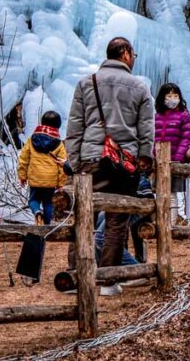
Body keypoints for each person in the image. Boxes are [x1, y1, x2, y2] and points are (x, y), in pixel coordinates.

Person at [66, 37, 154, 296]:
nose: (134, 59)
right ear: (125, 53)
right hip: (124, 163)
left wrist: (75, 161)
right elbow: (146, 129)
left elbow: (75, 126)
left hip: (90, 159)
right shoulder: (139, 87)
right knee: (117, 220)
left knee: (83, 216)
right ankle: (107, 280)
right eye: (133, 54)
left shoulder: (86, 83)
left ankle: (75, 277)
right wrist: (143, 160)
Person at [154, 83, 190, 223]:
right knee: (159, 193)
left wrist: (178, 157)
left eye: (175, 95)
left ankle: (170, 225)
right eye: (169, 95)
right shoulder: (157, 116)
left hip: (174, 161)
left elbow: (187, 137)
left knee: (172, 194)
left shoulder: (183, 116)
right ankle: (161, 222)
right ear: (162, 98)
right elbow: (152, 137)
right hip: (158, 161)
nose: (172, 99)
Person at [17, 110, 68, 225]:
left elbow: (23, 160)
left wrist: (22, 176)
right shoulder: (59, 144)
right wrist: (61, 183)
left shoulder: (31, 140)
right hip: (50, 180)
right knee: (48, 203)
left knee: (33, 200)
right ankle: (46, 227)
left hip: (35, 177)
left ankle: (37, 212)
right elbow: (62, 165)